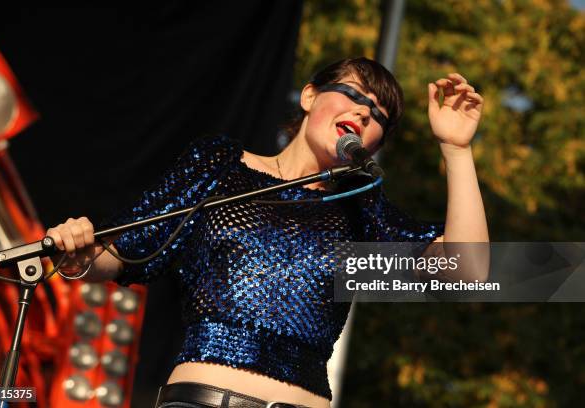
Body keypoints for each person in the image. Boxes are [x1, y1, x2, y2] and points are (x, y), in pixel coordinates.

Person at [46, 57, 488, 408]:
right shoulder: (220, 165)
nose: (363, 112)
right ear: (310, 95)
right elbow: (125, 252)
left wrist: (456, 148)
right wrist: (79, 255)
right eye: (353, 94)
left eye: (378, 116)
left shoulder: (360, 206)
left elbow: (467, 272)